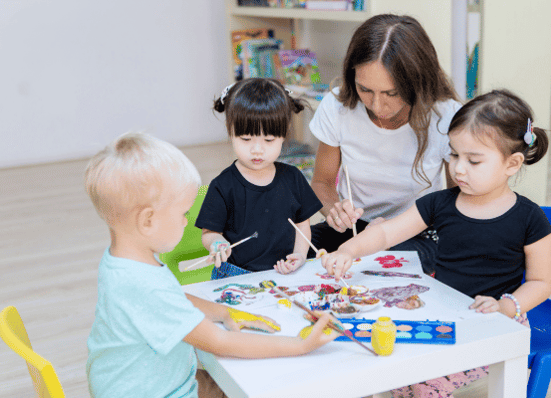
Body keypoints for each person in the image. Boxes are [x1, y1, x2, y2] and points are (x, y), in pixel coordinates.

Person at [321, 89, 551, 398]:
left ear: (512, 164)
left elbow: (541, 281)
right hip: (445, 309)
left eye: (473, 160)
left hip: (496, 321)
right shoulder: (441, 203)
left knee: (421, 383)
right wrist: (348, 249)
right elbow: (387, 233)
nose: (458, 168)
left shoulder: (529, 218)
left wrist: (505, 306)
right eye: (455, 155)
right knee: (384, 357)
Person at [84, 132, 338, 398]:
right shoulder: (146, 287)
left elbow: (174, 297)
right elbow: (220, 342)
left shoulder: (123, 260)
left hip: (138, 383)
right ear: (147, 221)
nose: (186, 222)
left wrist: (225, 312)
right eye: (183, 213)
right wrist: (299, 345)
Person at [308, 14, 462, 273]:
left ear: (417, 82)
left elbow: (459, 200)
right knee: (283, 247)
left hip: (416, 233)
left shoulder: (446, 116)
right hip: (354, 229)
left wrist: (392, 232)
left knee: (380, 270)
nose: (377, 106)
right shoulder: (336, 107)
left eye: (392, 93)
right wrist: (335, 210)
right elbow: (322, 182)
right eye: (365, 89)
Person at [196, 78, 323, 280]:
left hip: (283, 273)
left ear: (283, 135)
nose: (257, 149)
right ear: (231, 132)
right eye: (246, 139)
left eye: (269, 140)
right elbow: (208, 233)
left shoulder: (293, 178)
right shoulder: (222, 185)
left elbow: (302, 226)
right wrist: (216, 243)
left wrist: (299, 255)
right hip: (235, 275)